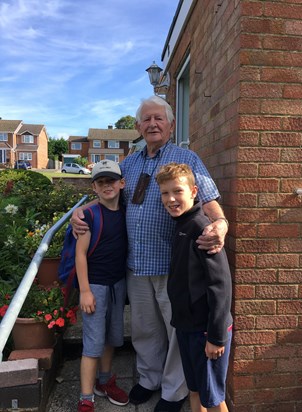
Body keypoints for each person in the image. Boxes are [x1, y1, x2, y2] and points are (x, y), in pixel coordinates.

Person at [71, 96, 229, 412]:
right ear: (138, 126)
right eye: (146, 119)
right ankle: (148, 378)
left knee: (175, 333)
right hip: (136, 264)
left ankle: (173, 392)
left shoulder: (186, 158)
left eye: (159, 118)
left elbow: (208, 198)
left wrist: (221, 223)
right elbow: (108, 194)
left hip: (173, 266)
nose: (152, 124)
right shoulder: (129, 162)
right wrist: (82, 211)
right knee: (144, 330)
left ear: (170, 125)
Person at [155, 163, 233, 412]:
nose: (171, 199)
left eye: (177, 191)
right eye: (165, 193)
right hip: (187, 327)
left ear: (194, 191)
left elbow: (220, 286)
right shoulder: (181, 225)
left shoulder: (202, 229)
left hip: (207, 331)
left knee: (213, 398)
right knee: (195, 389)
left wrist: (216, 336)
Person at [76, 160, 129, 412]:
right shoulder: (88, 216)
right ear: (94, 188)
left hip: (117, 284)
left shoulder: (126, 210)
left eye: (111, 181)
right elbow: (80, 255)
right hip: (95, 286)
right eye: (101, 182)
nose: (107, 186)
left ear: (122, 183)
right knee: (92, 343)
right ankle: (86, 397)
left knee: (111, 338)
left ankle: (104, 381)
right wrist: (84, 290)